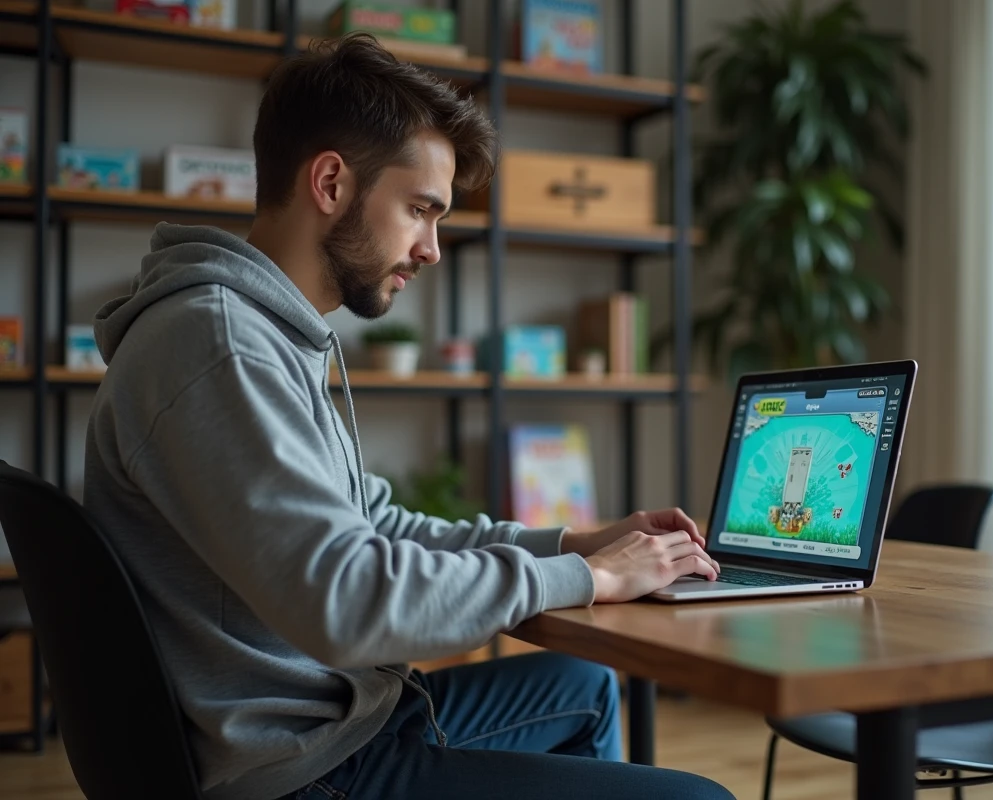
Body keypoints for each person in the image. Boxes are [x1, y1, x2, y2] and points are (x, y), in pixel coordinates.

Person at [83, 33, 733, 800]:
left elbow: (377, 526)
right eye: (420, 209)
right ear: (330, 182)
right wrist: (584, 577)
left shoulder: (256, 333)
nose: (430, 248)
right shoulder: (217, 346)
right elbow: (348, 600)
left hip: (343, 721)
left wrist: (574, 542)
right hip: (304, 770)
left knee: (584, 685)